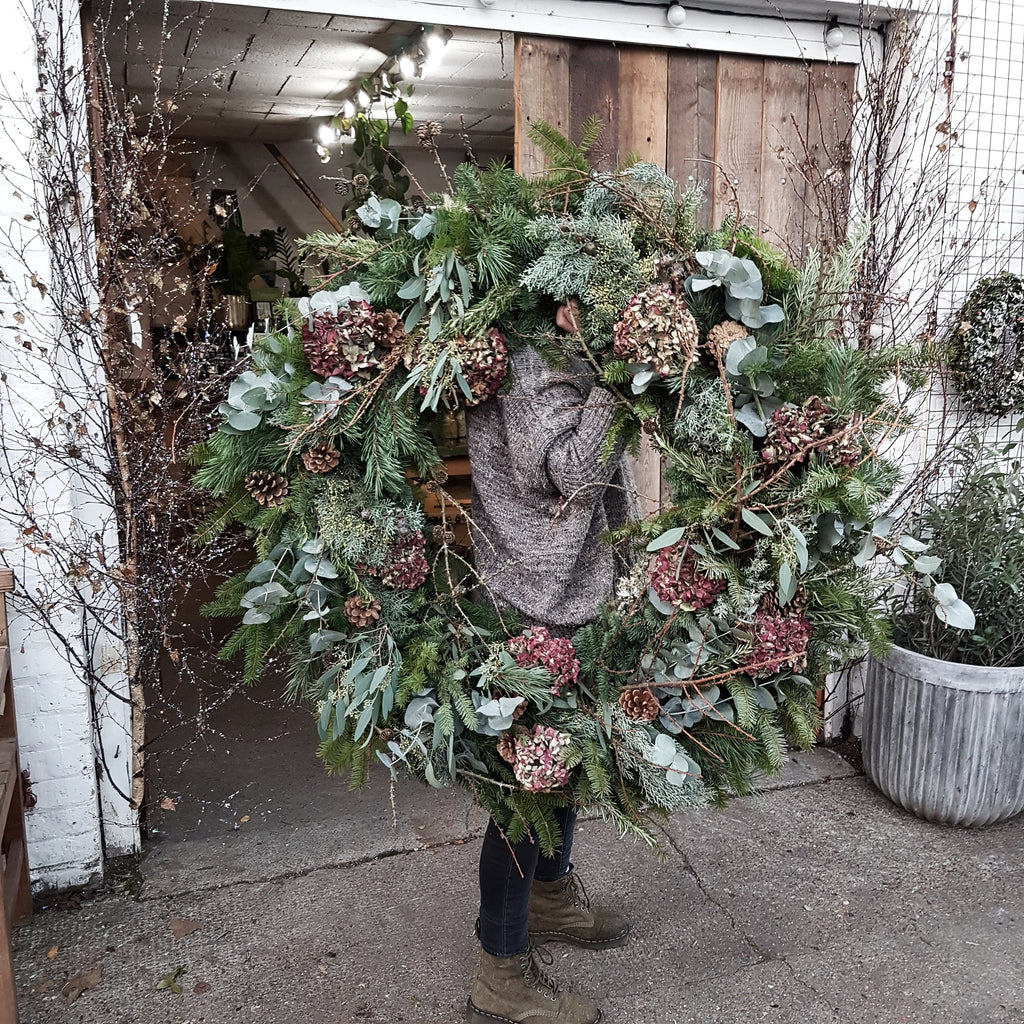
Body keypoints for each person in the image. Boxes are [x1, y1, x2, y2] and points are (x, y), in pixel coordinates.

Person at [465, 344, 635, 1024]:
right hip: (534, 603)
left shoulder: (552, 340)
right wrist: (622, 377)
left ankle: (550, 896)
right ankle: (500, 969)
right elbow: (569, 469)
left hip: (565, 591)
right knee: (524, 795)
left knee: (561, 773)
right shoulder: (530, 353)